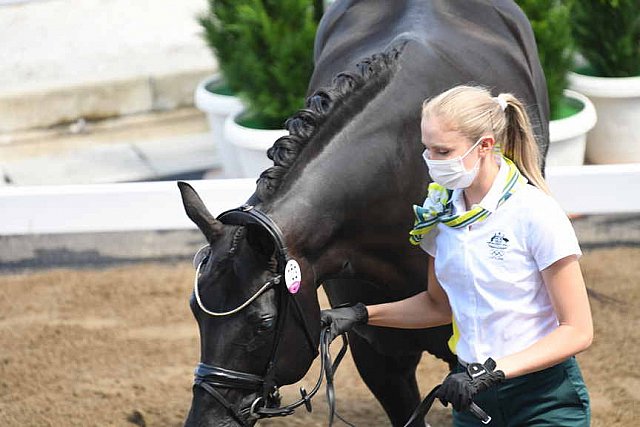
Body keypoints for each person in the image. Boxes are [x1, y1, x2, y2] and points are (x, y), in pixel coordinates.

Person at [321, 85, 593, 426]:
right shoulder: (442, 216)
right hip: (473, 397)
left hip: (544, 400)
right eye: (427, 149)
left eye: (443, 151)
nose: (431, 161)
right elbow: (439, 305)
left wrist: (493, 372)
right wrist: (359, 314)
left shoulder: (536, 213)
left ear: (485, 147)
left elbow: (577, 330)